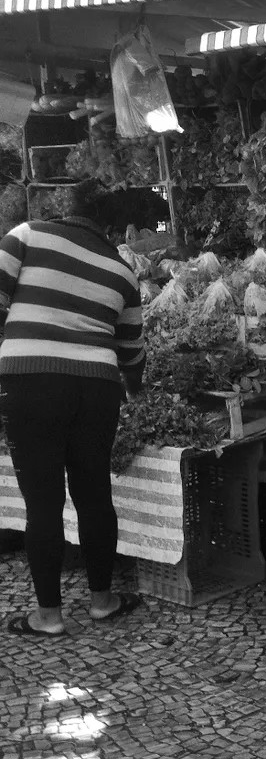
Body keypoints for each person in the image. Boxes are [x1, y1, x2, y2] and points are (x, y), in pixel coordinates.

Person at [1, 180, 147, 636]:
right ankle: (103, 600)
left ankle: (49, 616)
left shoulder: (26, 236)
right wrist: (135, 389)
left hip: (30, 379)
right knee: (94, 494)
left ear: (68, 209)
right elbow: (133, 351)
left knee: (42, 503)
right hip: (97, 388)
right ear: (112, 225)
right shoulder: (122, 269)